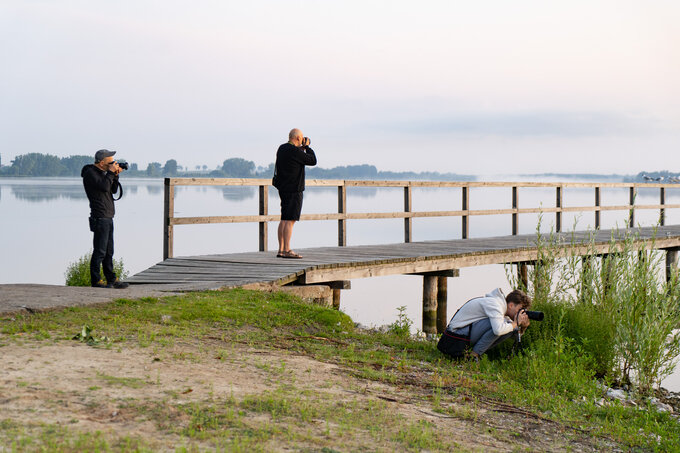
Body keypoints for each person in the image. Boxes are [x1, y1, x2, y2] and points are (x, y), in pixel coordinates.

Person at [437, 288, 531, 360]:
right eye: (519, 309)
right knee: (501, 326)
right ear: (511, 305)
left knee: (509, 327)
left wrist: (522, 327)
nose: (521, 313)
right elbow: (498, 330)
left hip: (461, 336)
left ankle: (473, 354)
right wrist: (515, 323)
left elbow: (512, 333)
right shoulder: (495, 304)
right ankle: (473, 356)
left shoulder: (502, 311)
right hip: (454, 338)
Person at [81, 149, 129, 289]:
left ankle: (111, 279)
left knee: (109, 251)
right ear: (102, 163)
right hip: (99, 217)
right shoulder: (90, 174)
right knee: (100, 251)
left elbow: (112, 190)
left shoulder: (104, 173)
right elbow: (103, 186)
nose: (114, 163)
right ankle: (96, 281)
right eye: (111, 162)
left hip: (108, 216)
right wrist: (110, 173)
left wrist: (115, 175)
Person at [272, 128, 317, 258]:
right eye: (301, 138)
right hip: (294, 190)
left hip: (283, 188)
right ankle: (287, 250)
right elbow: (312, 160)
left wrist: (301, 148)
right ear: (297, 138)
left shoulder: (282, 148)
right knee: (290, 220)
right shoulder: (295, 151)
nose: (302, 140)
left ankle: (281, 249)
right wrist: (307, 147)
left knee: (284, 219)